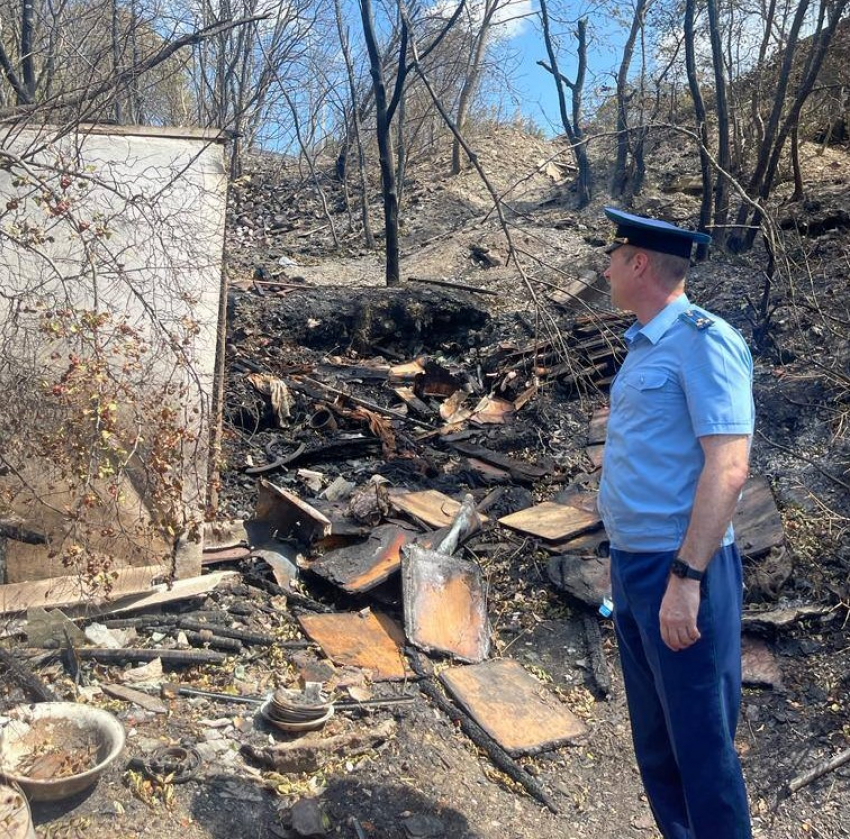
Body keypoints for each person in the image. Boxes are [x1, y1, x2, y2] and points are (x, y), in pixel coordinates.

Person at [596, 207, 755, 839]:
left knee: (702, 747)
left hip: (683, 570)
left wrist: (686, 577)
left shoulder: (703, 340)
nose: (604, 268)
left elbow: (729, 467)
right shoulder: (645, 345)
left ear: (639, 263)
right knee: (657, 746)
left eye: (612, 256)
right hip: (635, 566)